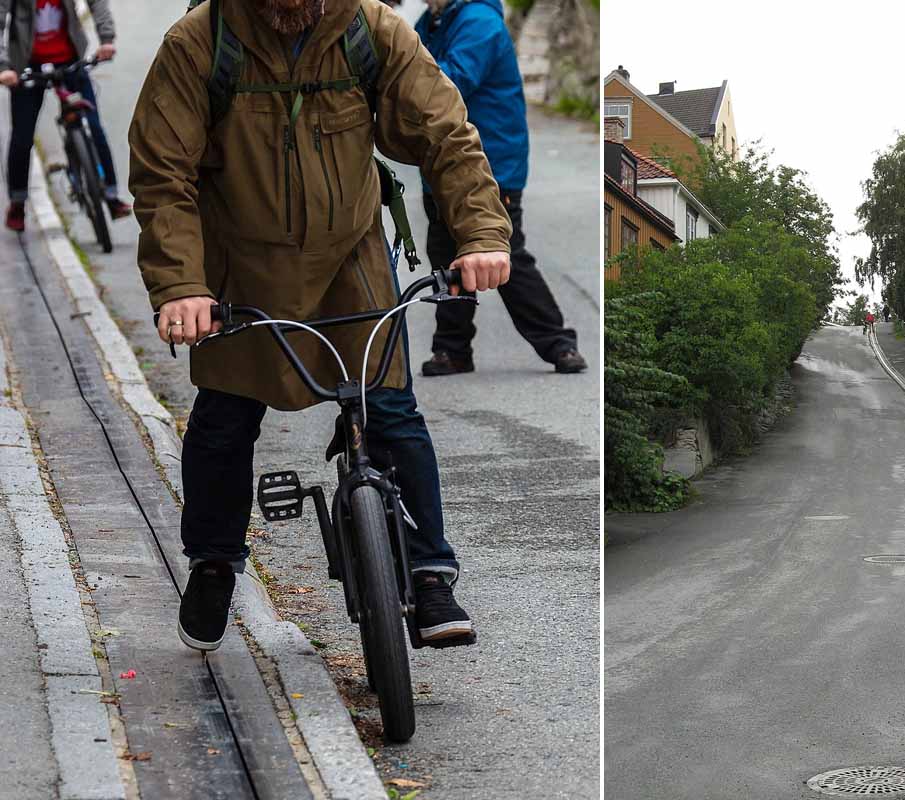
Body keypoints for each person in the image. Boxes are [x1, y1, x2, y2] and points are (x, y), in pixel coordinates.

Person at [129, 0, 511, 652]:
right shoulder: (201, 42)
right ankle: (214, 562)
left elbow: (446, 133)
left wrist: (479, 235)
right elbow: (163, 173)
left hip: (350, 258)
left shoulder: (371, 31)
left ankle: (428, 572)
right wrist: (183, 288)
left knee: (389, 410)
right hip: (241, 267)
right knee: (225, 418)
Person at [414, 0, 586, 377]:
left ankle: (559, 343)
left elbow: (449, 82)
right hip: (443, 165)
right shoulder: (432, 21)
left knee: (506, 257)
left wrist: (393, 80)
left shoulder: (478, 21)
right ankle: (452, 350)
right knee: (446, 259)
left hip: (488, 166)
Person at [0, 0, 132, 231]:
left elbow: (97, 3)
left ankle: (111, 196)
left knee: (94, 126)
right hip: (27, 65)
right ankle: (18, 202)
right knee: (22, 137)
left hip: (71, 60)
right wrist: (4, 67)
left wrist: (107, 40)